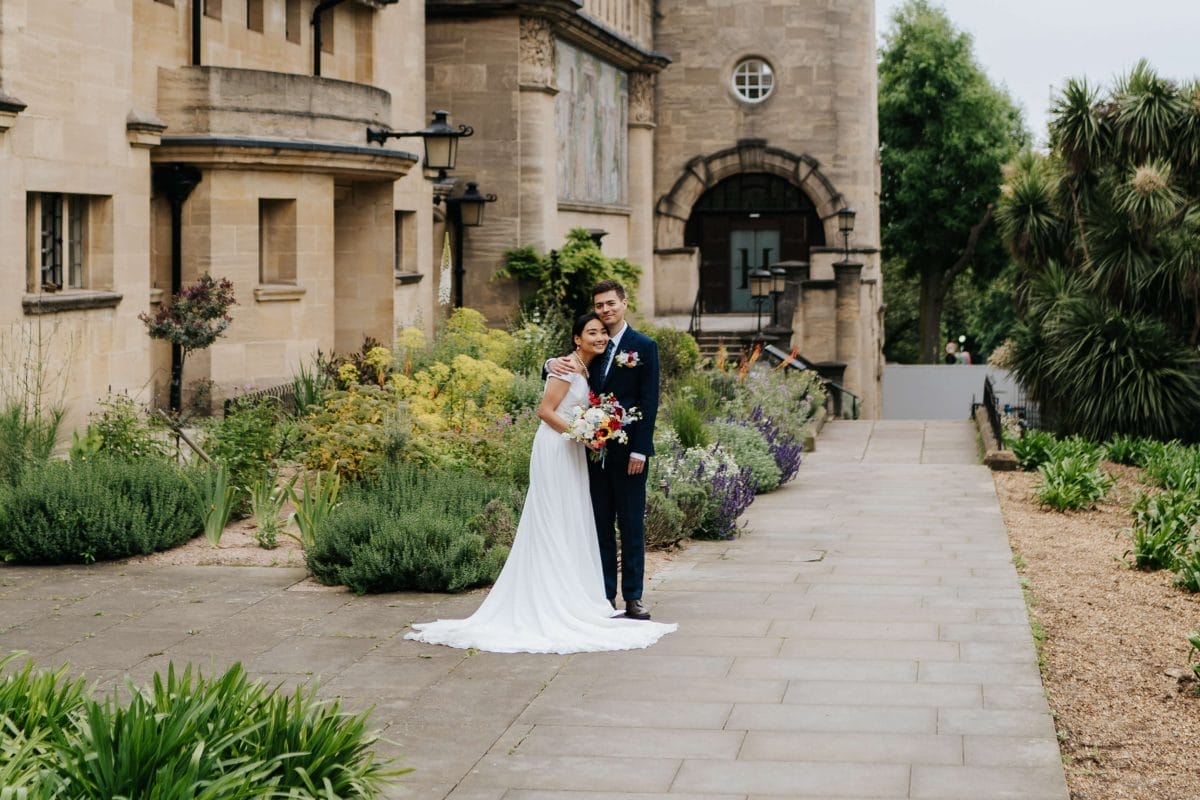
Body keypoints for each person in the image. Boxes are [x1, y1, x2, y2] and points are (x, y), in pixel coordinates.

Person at [405, 313, 676, 654]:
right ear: (576, 338)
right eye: (592, 331)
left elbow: (640, 397)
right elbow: (545, 410)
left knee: (574, 519)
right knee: (553, 517)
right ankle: (557, 596)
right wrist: (581, 430)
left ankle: (595, 594)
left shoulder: (606, 357)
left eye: (603, 331)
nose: (601, 335)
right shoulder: (565, 366)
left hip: (578, 451)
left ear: (622, 306)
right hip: (558, 448)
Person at [548, 280, 660, 620]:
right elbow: (569, 367)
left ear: (624, 303)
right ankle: (604, 596)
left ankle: (634, 597)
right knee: (598, 524)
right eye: (599, 305)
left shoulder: (644, 346)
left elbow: (649, 400)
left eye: (610, 303)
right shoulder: (593, 342)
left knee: (631, 525)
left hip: (629, 453)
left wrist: (641, 450)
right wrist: (550, 364)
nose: (605, 310)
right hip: (591, 452)